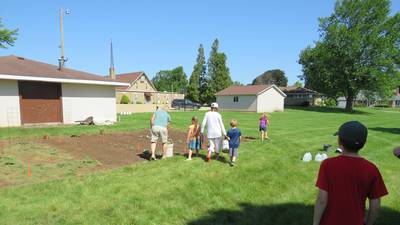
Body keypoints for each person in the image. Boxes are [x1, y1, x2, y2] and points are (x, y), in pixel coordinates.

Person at [313, 121, 388, 225]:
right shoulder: (372, 169)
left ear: (340, 142)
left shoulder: (328, 165)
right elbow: (375, 207)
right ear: (364, 143)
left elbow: (322, 200)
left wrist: (315, 223)